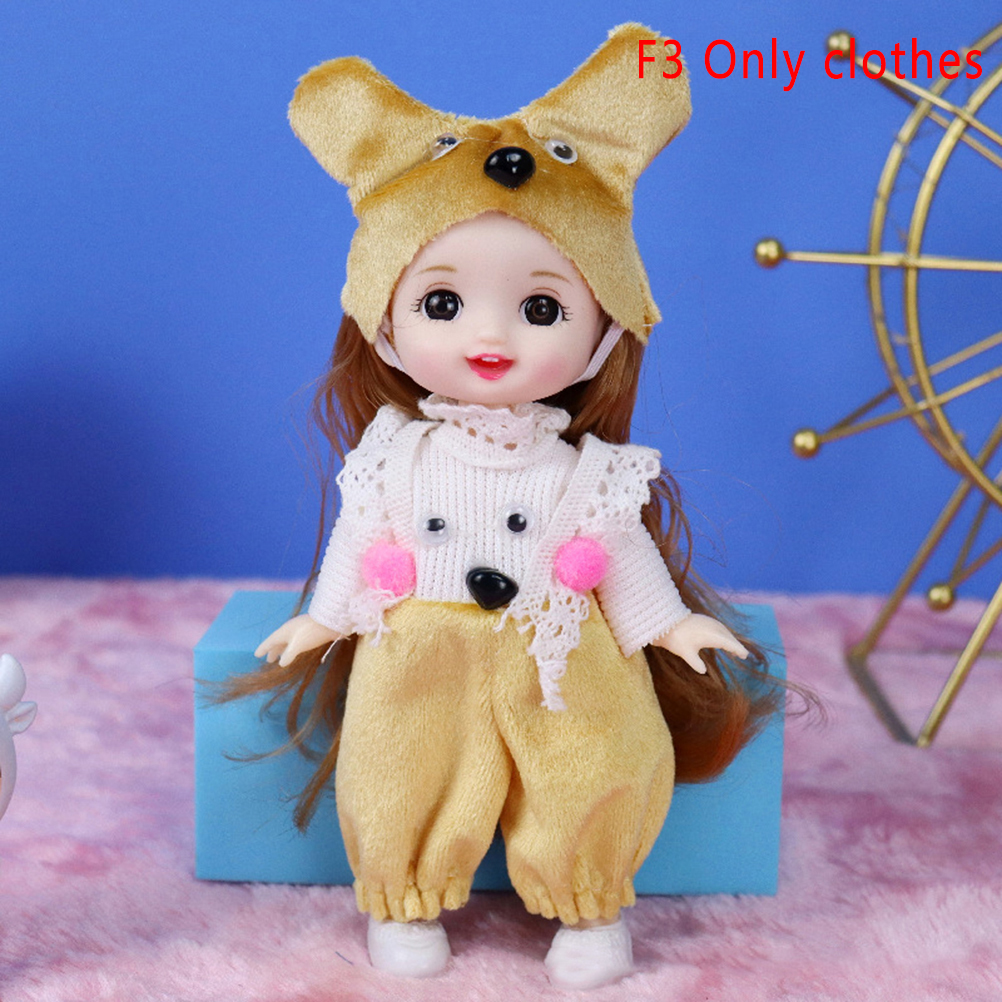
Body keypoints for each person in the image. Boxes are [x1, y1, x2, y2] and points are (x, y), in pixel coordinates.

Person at [224, 25, 782, 990]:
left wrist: (668, 623)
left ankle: (589, 901)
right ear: (384, 323)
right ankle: (402, 896)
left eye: (542, 308)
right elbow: (365, 534)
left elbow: (616, 550)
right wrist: (325, 614)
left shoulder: (582, 471)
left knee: (593, 758)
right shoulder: (397, 456)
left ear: (605, 329)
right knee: (401, 762)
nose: (490, 334)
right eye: (442, 304)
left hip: (562, 649)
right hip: (420, 645)